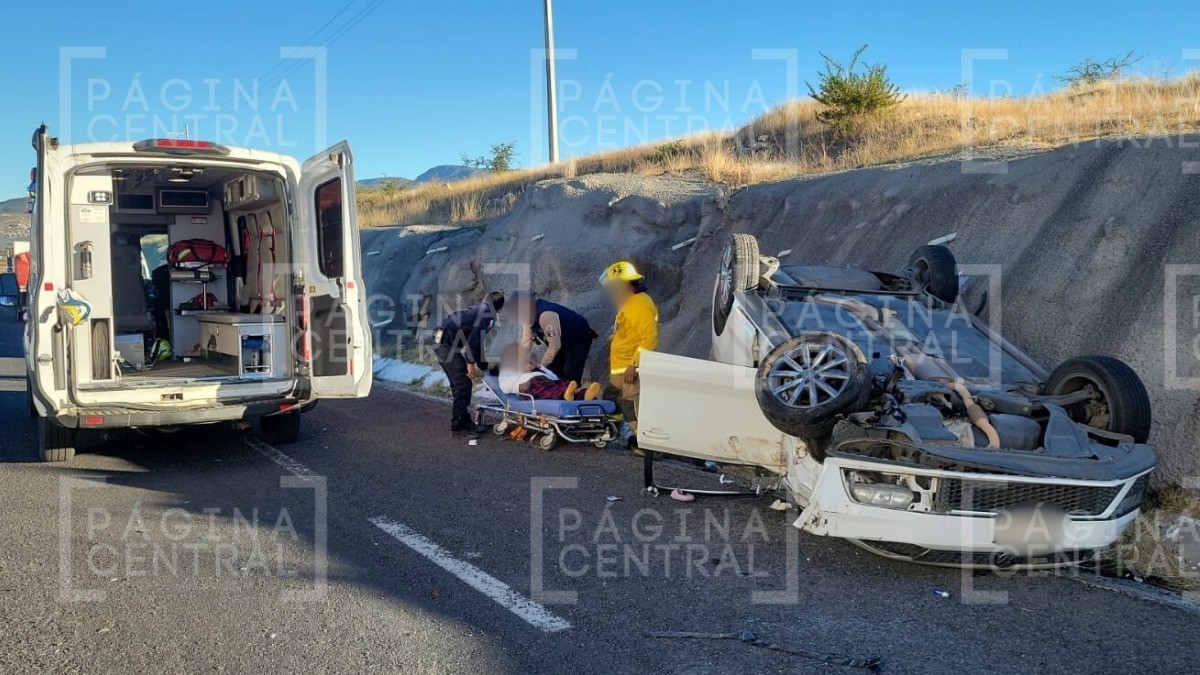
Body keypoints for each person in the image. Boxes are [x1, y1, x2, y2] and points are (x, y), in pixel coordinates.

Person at [599, 261, 658, 448]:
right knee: (610, 398)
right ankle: (616, 431)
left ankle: (645, 445)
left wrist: (635, 364)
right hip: (620, 369)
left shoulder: (640, 305)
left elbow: (649, 338)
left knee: (630, 406)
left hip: (630, 370)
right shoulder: (629, 304)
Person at [434, 291, 505, 437]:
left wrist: (484, 366)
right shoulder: (488, 314)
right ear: (499, 308)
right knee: (463, 384)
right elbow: (473, 341)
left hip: (442, 340)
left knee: (459, 384)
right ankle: (459, 427)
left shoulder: (479, 309)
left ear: (486, 298)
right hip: (446, 344)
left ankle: (463, 421)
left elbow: (477, 342)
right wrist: (471, 364)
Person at [508, 290, 598, 384]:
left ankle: (575, 394)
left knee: (570, 374)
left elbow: (554, 347)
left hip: (578, 337)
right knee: (552, 372)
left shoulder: (546, 316)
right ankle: (557, 393)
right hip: (562, 340)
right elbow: (526, 341)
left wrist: (541, 367)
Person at [497, 344, 602, 401]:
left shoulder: (532, 365)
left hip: (546, 380)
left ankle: (585, 395)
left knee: (563, 384)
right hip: (529, 384)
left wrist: (539, 367)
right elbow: (505, 387)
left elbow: (552, 377)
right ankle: (568, 394)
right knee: (545, 388)